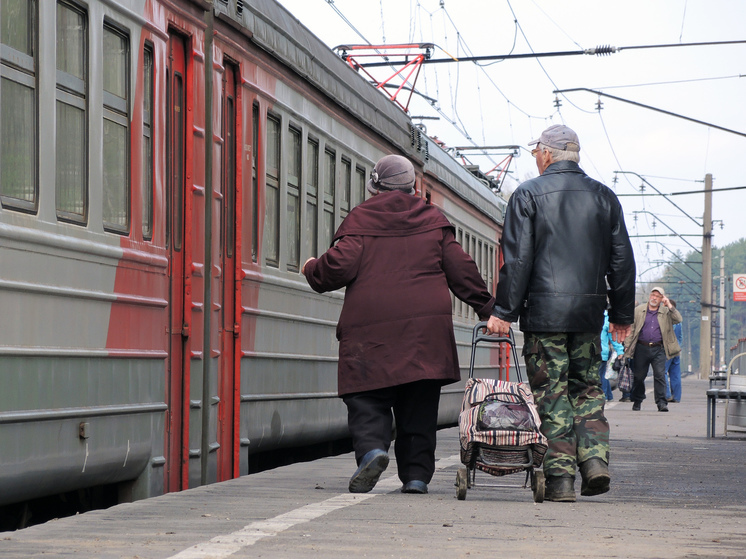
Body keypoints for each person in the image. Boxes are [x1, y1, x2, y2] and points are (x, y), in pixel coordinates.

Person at [302, 154, 496, 495]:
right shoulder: (434, 220)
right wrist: (488, 307)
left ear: (374, 187)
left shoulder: (362, 219)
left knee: (366, 398)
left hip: (370, 333)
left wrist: (312, 268)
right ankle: (417, 476)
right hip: (426, 336)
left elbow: (338, 267)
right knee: (419, 405)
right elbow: (461, 269)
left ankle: (373, 451)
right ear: (413, 187)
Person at [486, 124, 636, 503]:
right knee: (587, 390)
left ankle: (561, 480)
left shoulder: (527, 195)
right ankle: (595, 462)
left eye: (536, 151)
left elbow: (517, 260)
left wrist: (504, 310)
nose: (535, 158)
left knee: (552, 395)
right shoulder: (605, 197)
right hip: (588, 316)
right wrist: (620, 315)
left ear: (548, 154)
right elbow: (622, 262)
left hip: (544, 317)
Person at [623, 287, 682, 412]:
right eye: (653, 295)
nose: (654, 298)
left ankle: (661, 403)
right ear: (649, 296)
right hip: (641, 347)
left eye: (658, 296)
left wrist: (669, 305)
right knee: (639, 377)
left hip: (659, 348)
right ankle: (638, 400)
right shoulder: (639, 310)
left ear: (662, 299)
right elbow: (631, 328)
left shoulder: (666, 311)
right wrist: (627, 344)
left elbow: (678, 319)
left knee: (660, 375)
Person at [600, 309, 625, 401]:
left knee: (600, 375)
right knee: (601, 375)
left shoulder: (607, 318)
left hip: (601, 352)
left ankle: (603, 396)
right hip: (592, 351)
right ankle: (608, 395)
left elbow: (613, 337)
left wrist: (620, 351)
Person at [665, 300, 684, 402]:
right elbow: (680, 337)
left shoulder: (667, 320)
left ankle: (667, 395)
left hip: (667, 350)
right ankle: (676, 397)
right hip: (676, 349)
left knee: (662, 372)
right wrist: (678, 347)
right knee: (675, 374)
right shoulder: (679, 322)